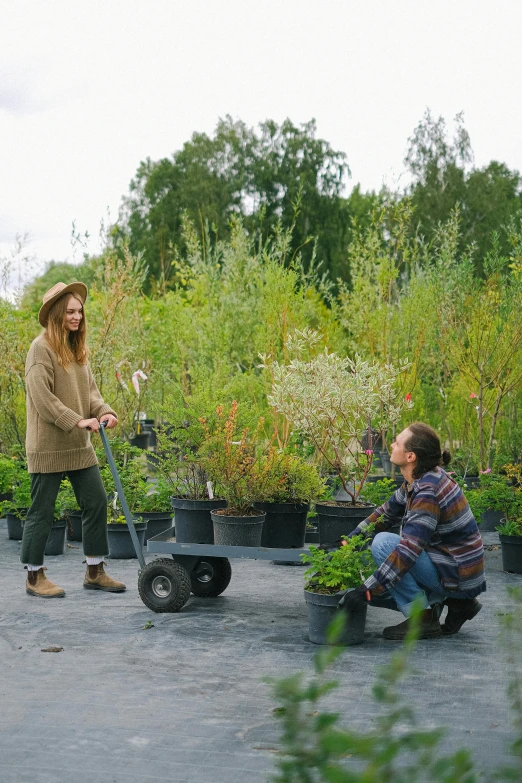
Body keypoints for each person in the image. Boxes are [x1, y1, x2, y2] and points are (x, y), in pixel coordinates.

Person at [20, 281, 126, 598]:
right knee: (42, 510)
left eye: (79, 311)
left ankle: (95, 570)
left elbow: (90, 394)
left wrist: (105, 411)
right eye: (70, 311)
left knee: (96, 501)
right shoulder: (40, 349)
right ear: (56, 314)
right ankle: (34, 577)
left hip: (79, 446)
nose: (77, 317)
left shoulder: (77, 350)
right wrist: (77, 420)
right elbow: (42, 398)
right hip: (48, 446)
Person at [338, 422, 486, 640]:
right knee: (386, 568)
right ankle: (460, 603)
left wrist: (365, 590)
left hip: (457, 574)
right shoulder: (422, 477)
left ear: (411, 457)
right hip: (459, 569)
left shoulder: (427, 492)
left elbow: (408, 552)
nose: (390, 444)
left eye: (397, 442)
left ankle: (422, 618)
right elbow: (387, 512)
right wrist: (347, 542)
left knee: (384, 545)